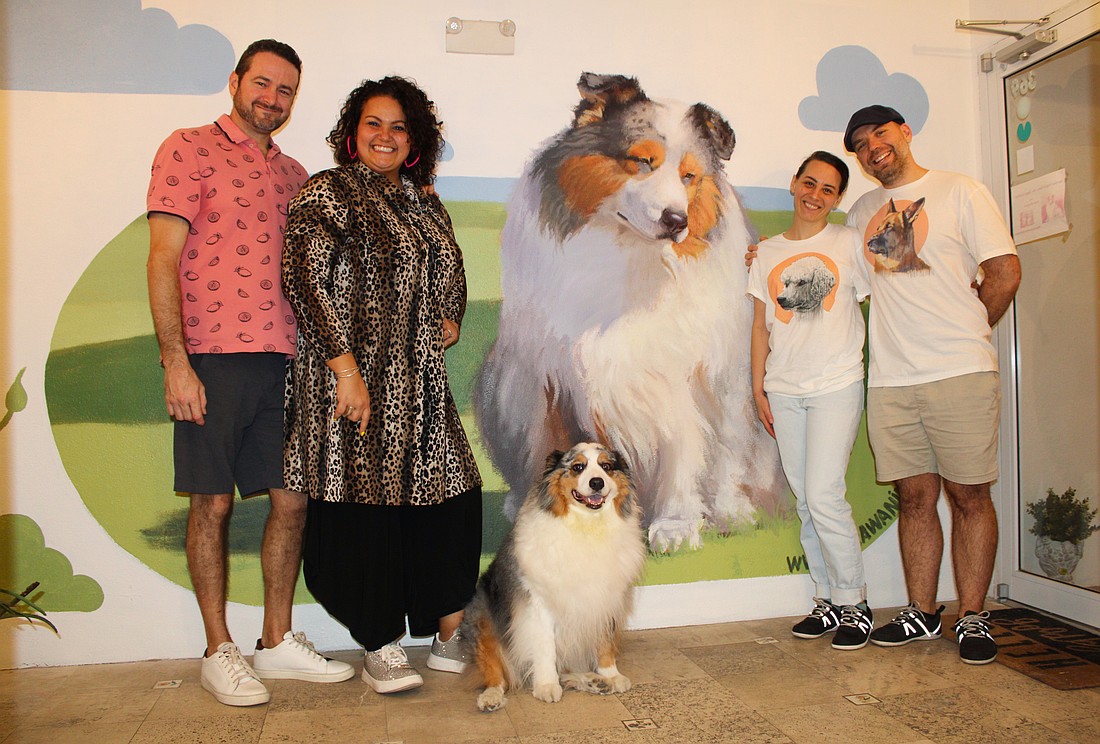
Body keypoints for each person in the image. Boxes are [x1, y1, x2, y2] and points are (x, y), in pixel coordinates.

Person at [146, 39, 353, 707]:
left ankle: (275, 642)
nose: (272, 97)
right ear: (236, 81)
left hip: (285, 364)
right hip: (209, 356)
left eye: (285, 90)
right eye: (262, 83)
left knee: (292, 502)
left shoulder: (296, 174)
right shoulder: (187, 148)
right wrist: (176, 361)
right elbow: (161, 258)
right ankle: (217, 649)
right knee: (212, 501)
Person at [281, 76, 483, 695]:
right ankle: (380, 644)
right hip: (352, 382)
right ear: (352, 132)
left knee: (451, 497)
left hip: (419, 382)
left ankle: (451, 632)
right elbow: (306, 280)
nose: (385, 136)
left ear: (415, 139)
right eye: (374, 123)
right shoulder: (328, 193)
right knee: (361, 513)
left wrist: (450, 309)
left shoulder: (424, 201)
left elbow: (449, 262)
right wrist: (346, 371)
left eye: (398, 126)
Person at [843, 105, 1021, 665]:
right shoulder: (861, 212)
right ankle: (922, 611)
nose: (872, 147)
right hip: (892, 380)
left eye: (881, 134)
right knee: (913, 497)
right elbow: (844, 279)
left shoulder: (959, 190)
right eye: (860, 143)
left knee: (969, 495)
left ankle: (973, 616)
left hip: (960, 372)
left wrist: (970, 331)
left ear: (905, 132)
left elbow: (1005, 270)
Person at [748, 152, 874, 650]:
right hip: (784, 388)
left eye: (828, 189)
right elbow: (759, 325)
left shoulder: (847, 243)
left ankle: (854, 602)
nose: (816, 195)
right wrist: (757, 386)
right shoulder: (765, 253)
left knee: (824, 494)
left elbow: (880, 287)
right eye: (809, 183)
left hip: (836, 383)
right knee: (806, 499)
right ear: (794, 184)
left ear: (839, 198)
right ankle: (825, 599)